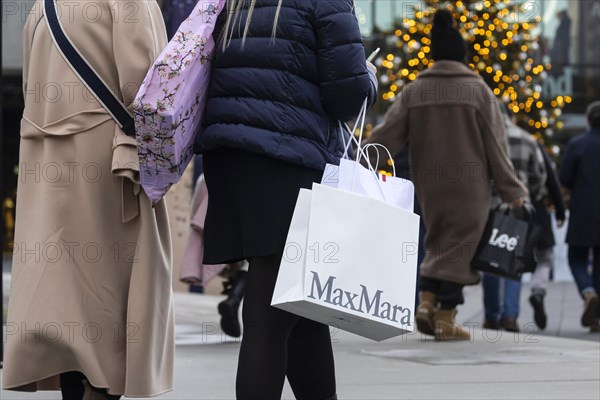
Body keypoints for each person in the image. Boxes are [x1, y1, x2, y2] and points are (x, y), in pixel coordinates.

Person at [194, 0, 377, 398]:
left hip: (231, 161)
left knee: (305, 308)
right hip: (285, 160)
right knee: (268, 319)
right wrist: (370, 81)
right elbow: (347, 95)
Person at [3, 1, 173, 399]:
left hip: (47, 174)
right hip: (107, 171)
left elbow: (34, 91)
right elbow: (153, 88)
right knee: (111, 311)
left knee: (68, 313)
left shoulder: (40, 10)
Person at [363, 9, 527, 341]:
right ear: (462, 56)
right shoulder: (478, 90)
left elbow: (387, 135)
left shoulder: (415, 91)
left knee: (437, 240)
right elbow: (496, 146)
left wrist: (360, 157)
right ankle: (444, 317)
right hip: (471, 185)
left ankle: (425, 302)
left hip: (430, 183)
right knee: (462, 246)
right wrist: (511, 189)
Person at [482, 107, 547, 333]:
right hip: (519, 206)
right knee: (514, 263)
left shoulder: (484, 138)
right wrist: (531, 194)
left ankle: (491, 316)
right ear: (511, 116)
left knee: (490, 262)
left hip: (490, 207)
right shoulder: (527, 139)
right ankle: (510, 316)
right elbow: (539, 175)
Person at [180, 175, 247, 337]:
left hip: (208, 182)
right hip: (240, 183)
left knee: (235, 251)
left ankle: (233, 300)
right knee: (250, 256)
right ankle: (234, 300)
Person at [559, 101, 600, 333]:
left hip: (583, 210)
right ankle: (597, 319)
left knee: (576, 258)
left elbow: (564, 178)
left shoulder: (577, 144)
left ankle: (587, 291)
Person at [528, 142, 566, 330]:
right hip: (536, 207)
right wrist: (560, 209)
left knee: (504, 259)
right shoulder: (532, 143)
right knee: (544, 258)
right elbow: (550, 179)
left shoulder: (493, 139)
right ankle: (538, 290)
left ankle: (502, 315)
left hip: (504, 207)